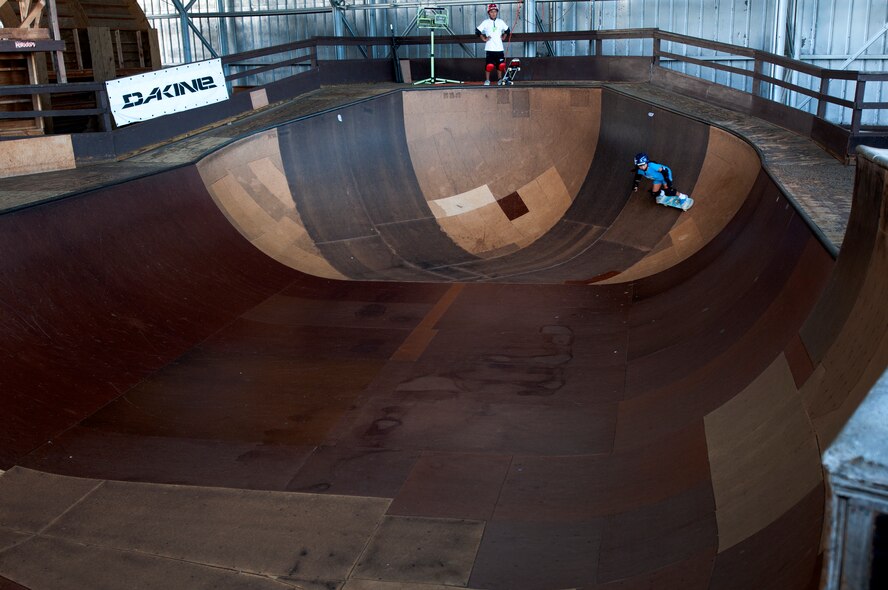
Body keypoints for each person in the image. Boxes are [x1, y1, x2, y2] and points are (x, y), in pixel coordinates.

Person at [476, 4, 510, 86]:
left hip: (499, 48)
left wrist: (504, 36)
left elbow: (507, 30)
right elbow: (477, 31)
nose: (493, 13)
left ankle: (500, 79)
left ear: (497, 12)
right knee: (489, 65)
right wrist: (484, 38)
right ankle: (487, 80)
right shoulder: (485, 22)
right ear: (489, 13)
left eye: (495, 11)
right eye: (491, 12)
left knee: (500, 65)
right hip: (490, 48)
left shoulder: (500, 22)